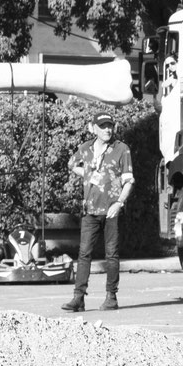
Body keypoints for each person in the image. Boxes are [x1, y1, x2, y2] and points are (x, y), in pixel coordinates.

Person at [61, 114, 132, 314]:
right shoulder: (85, 149)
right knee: (84, 254)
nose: (107, 130)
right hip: (90, 210)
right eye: (103, 126)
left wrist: (119, 203)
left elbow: (129, 181)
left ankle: (111, 297)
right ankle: (78, 298)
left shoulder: (121, 149)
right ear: (93, 128)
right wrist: (88, 174)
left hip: (111, 210)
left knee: (111, 255)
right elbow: (71, 164)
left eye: (110, 125)